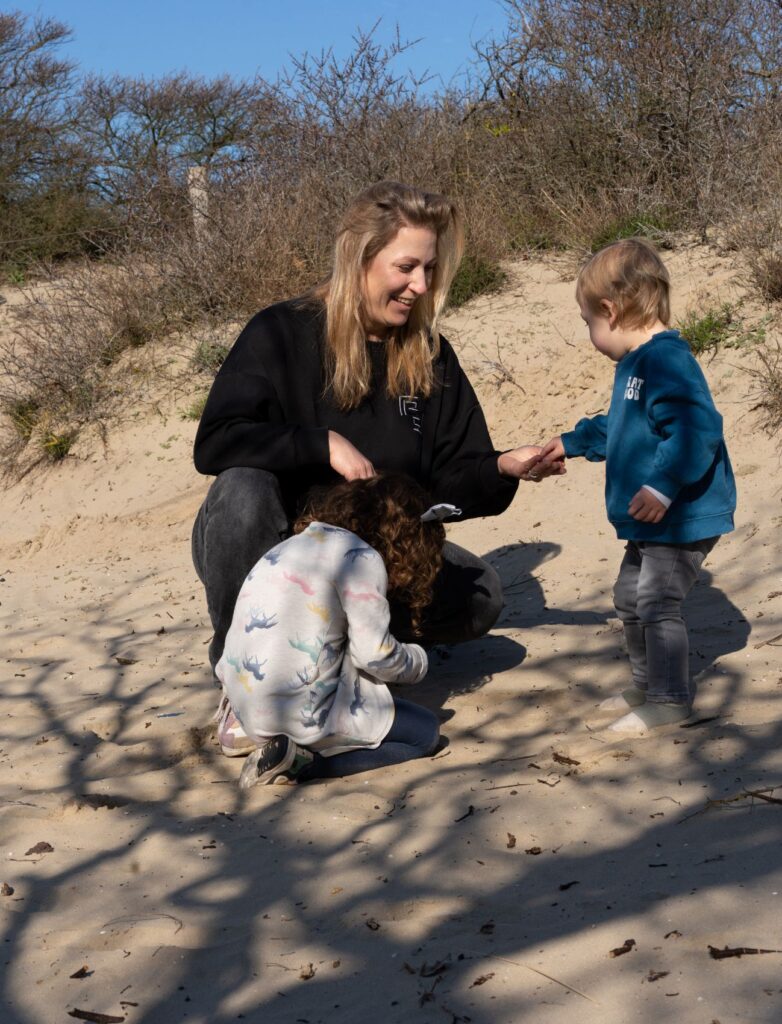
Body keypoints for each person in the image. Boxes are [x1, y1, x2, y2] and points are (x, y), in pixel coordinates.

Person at [192, 181, 563, 718]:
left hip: (371, 557)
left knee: (482, 593)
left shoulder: (431, 353)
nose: (420, 285)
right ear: (360, 258)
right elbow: (216, 441)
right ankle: (242, 669)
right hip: (279, 548)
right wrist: (320, 444)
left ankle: (344, 647)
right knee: (242, 490)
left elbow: (449, 479)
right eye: (406, 267)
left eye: (430, 270)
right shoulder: (280, 332)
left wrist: (503, 466)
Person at [538, 238, 736, 734]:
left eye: (588, 323)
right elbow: (623, 427)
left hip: (681, 514)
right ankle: (647, 684)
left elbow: (697, 428)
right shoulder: (636, 366)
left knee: (655, 601)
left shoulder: (665, 360)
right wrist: (571, 442)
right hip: (655, 516)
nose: (590, 333)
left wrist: (664, 485)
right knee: (630, 596)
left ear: (610, 309)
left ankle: (669, 700)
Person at [217, 474, 444, 788]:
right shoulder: (360, 558)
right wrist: (418, 661)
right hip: (300, 716)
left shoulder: (289, 547)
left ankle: (276, 745)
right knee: (425, 734)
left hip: (247, 710)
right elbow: (373, 655)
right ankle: (304, 765)